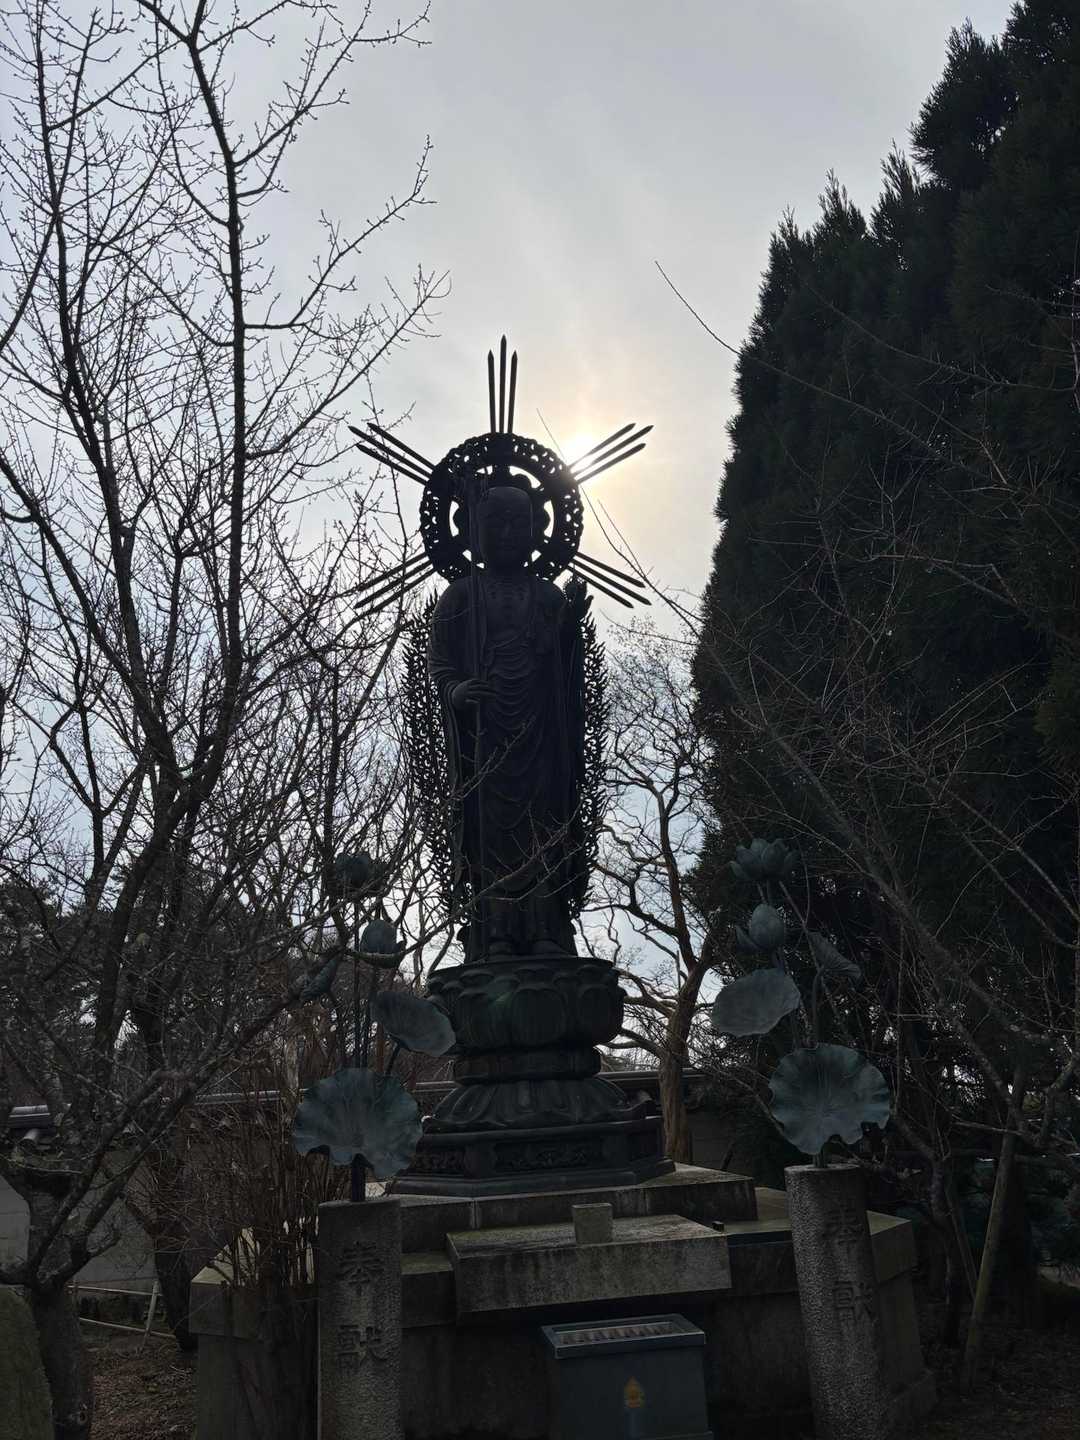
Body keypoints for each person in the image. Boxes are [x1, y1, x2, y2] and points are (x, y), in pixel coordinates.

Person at [427, 483, 590, 960]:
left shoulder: (547, 597)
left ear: (537, 532)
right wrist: (456, 691)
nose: (506, 533)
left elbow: (563, 670)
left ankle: (545, 931)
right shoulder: (460, 596)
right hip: (484, 735)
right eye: (494, 522)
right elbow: (440, 664)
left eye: (518, 523)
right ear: (471, 531)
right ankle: (496, 933)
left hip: (541, 733)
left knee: (544, 825)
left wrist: (568, 628)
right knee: (491, 833)